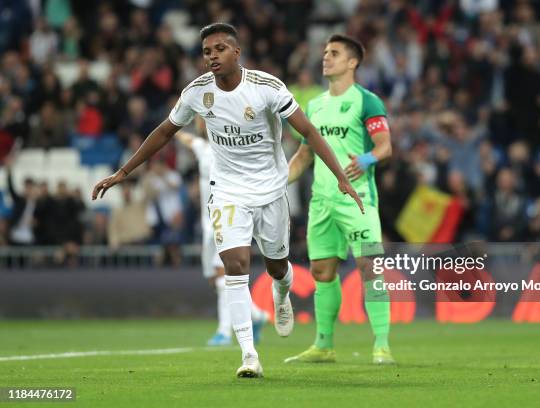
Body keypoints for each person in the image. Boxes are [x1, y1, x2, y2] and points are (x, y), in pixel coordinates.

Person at [92, 23, 363, 378]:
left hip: (269, 188)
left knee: (277, 268)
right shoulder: (197, 92)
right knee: (235, 266)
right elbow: (164, 131)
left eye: (220, 49)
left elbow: (308, 131)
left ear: (236, 52)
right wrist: (124, 172)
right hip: (228, 190)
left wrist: (341, 176)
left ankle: (281, 295)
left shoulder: (267, 88)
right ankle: (249, 355)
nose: (212, 57)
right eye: (207, 52)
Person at [284, 34, 394, 365]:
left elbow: (385, 146)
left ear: (352, 62)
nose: (326, 58)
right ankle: (324, 345)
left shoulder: (367, 101)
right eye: (325, 53)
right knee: (321, 271)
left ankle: (382, 344)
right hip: (322, 202)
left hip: (358, 200)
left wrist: (367, 160)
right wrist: (276, 184)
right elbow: (304, 155)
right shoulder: (314, 106)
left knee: (370, 266)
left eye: (334, 53)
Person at [175, 119, 269, 347]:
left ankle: (225, 332)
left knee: (224, 279)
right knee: (215, 280)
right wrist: (174, 124)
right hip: (208, 222)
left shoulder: (229, 147)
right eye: (198, 120)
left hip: (226, 216)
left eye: (204, 120)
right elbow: (186, 138)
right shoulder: (201, 146)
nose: (200, 124)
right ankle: (257, 316)